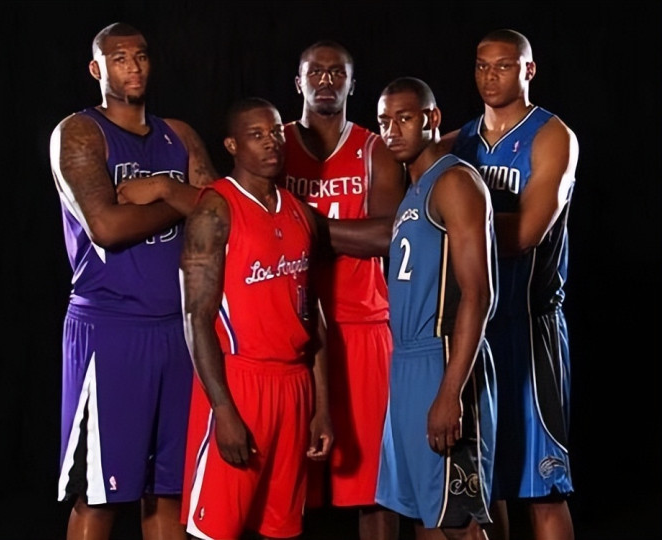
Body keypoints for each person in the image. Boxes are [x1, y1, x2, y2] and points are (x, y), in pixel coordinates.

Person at [49, 22, 217, 539]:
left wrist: (162, 188)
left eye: (140, 56)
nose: (133, 67)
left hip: (179, 330)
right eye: (119, 59)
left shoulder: (178, 135)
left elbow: (221, 212)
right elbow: (107, 227)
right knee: (101, 494)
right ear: (97, 69)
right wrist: (181, 201)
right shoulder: (80, 133)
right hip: (111, 329)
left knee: (169, 491)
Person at [179, 97, 333, 540]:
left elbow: (314, 316)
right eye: (257, 135)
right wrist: (223, 409)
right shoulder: (215, 209)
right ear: (232, 145)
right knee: (215, 531)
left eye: (276, 133)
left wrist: (322, 407)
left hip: (295, 386)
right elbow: (196, 318)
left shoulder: (300, 212)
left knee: (282, 529)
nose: (271, 143)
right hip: (241, 384)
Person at [447, 29, 578, 540]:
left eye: (503, 65)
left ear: (528, 70)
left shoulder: (552, 135)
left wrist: (454, 226)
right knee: (486, 481)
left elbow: (525, 233)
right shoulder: (460, 141)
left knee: (544, 486)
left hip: (529, 324)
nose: (490, 76)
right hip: (474, 325)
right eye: (482, 65)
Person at [281, 39, 406, 540]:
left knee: (375, 486)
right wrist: (347, 233)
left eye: (338, 73)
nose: (327, 81)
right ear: (299, 83)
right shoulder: (274, 142)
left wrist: (304, 226)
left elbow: (388, 234)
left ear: (352, 84)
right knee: (288, 485)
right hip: (292, 327)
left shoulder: (375, 148)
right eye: (316, 72)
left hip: (363, 326)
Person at [374, 77, 497, 540]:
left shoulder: (454, 181)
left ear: (432, 119)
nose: (392, 131)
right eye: (384, 122)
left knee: (459, 522)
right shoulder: (413, 190)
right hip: (406, 361)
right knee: (427, 515)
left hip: (443, 357)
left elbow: (478, 294)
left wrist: (450, 392)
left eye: (404, 118)